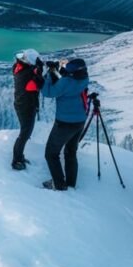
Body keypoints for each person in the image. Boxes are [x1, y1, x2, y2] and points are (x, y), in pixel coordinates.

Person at [40, 58, 90, 191]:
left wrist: (49, 74)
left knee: (51, 153)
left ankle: (59, 184)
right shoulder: (84, 78)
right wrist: (60, 70)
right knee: (71, 152)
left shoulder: (66, 82)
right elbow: (67, 77)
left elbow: (48, 92)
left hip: (64, 123)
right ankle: (71, 183)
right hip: (79, 122)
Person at [11, 48, 45, 170]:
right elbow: (41, 84)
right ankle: (16, 160)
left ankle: (19, 156)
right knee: (25, 134)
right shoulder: (27, 75)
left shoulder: (18, 67)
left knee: (25, 132)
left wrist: (37, 68)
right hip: (26, 107)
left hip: (21, 105)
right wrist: (40, 70)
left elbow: (33, 72)